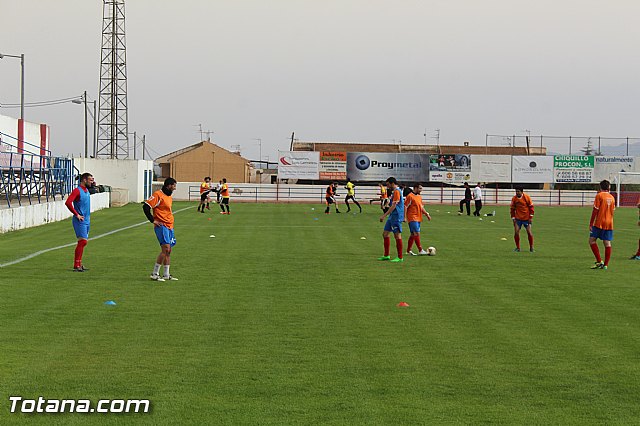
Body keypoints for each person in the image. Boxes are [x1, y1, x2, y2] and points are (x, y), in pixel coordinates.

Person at [143, 177, 179, 281]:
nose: (175, 188)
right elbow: (146, 206)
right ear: (168, 185)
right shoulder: (158, 195)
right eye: (174, 186)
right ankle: (154, 273)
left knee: (169, 250)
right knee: (165, 249)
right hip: (161, 226)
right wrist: (152, 220)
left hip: (169, 226)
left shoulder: (169, 197)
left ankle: (166, 275)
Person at [65, 172, 94, 272]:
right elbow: (68, 202)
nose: (92, 182)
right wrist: (76, 214)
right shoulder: (77, 191)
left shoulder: (86, 191)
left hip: (86, 220)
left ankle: (79, 264)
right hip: (79, 220)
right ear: (84, 180)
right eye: (90, 180)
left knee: (83, 243)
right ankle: (76, 264)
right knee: (82, 241)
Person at [589, 180, 615, 270]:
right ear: (609, 187)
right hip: (609, 223)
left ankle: (599, 261)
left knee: (592, 240)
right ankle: (606, 265)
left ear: (600, 187)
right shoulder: (612, 197)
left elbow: (595, 210)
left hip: (599, 222)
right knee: (607, 242)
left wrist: (591, 223)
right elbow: (613, 211)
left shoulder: (599, 195)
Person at [378, 177, 404, 262]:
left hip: (396, 216)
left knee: (397, 235)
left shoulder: (397, 191)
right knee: (385, 234)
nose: (387, 186)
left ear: (392, 183)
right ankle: (386, 255)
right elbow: (391, 203)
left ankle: (400, 257)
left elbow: (394, 206)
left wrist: (384, 215)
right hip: (392, 216)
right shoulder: (394, 192)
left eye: (388, 184)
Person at [404, 183, 431, 256]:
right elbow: (405, 206)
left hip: (418, 217)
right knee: (416, 233)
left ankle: (408, 251)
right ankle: (420, 250)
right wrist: (404, 217)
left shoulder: (419, 196)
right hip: (412, 217)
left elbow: (421, 207)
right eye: (420, 188)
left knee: (413, 234)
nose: (421, 190)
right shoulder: (410, 196)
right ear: (415, 188)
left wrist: (426, 214)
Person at [510, 186, 535, 252]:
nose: (517, 193)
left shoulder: (527, 197)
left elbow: (531, 208)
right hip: (518, 218)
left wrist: (530, 217)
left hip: (526, 218)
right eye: (516, 191)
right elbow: (512, 209)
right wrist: (513, 218)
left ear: (522, 192)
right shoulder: (514, 199)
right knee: (516, 232)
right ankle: (518, 248)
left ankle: (531, 247)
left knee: (529, 232)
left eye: (518, 191)